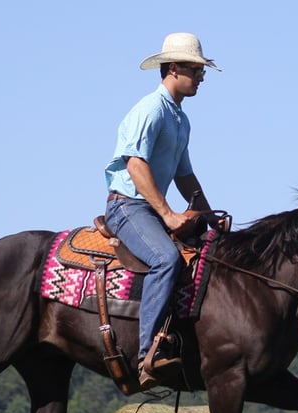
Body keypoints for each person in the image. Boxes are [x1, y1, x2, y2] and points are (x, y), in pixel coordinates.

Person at [104, 32, 221, 387]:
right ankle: (148, 355)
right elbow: (135, 164)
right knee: (165, 259)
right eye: (196, 70)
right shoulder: (151, 110)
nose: (201, 77)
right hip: (128, 207)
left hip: (151, 209)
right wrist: (169, 214)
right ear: (173, 68)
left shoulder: (181, 120)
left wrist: (211, 217)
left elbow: (185, 175)